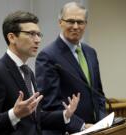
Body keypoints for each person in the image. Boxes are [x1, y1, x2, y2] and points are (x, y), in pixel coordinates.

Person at [0, 11, 81, 135]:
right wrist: (14, 114)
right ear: (12, 37)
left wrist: (65, 114)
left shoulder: (28, 72)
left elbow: (34, 118)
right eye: (31, 34)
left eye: (38, 34)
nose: (37, 40)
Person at [35, 2, 106, 135]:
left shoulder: (90, 52)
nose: (75, 26)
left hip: (95, 129)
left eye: (80, 22)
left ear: (86, 24)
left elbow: (98, 93)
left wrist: (102, 122)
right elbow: (50, 104)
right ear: (60, 22)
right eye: (70, 21)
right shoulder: (47, 56)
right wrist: (81, 126)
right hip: (68, 130)